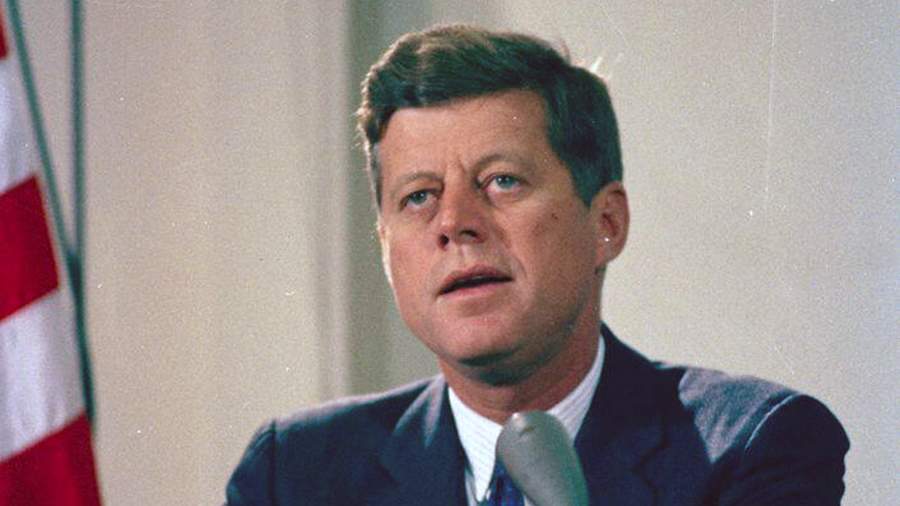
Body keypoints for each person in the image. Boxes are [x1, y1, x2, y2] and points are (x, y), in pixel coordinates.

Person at [226, 25, 849, 505]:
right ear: (385, 245)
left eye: (501, 181)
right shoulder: (294, 474)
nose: (454, 222)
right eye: (418, 196)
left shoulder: (753, 447)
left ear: (606, 223)